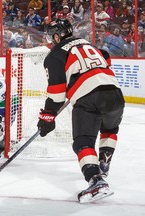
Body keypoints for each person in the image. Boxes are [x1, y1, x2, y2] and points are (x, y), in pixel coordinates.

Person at [37, 19, 124, 203]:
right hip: (115, 93)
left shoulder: (54, 55)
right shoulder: (87, 43)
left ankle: (96, 180)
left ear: (56, 36)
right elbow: (106, 56)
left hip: (89, 98)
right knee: (109, 130)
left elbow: (57, 96)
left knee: (83, 142)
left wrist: (47, 118)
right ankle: (103, 162)